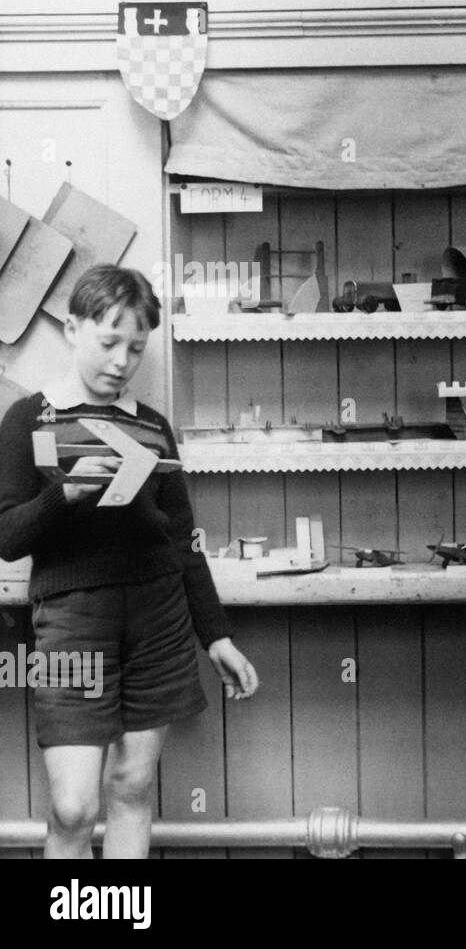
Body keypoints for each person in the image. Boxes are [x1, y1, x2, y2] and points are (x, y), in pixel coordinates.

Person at [0, 264, 258, 859]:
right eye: (108, 342)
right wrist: (63, 493)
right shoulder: (27, 418)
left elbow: (184, 540)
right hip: (69, 623)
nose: (121, 360)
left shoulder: (152, 426)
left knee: (133, 786)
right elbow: (8, 537)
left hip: (158, 618)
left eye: (136, 348)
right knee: (73, 808)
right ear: (72, 328)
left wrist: (215, 636)